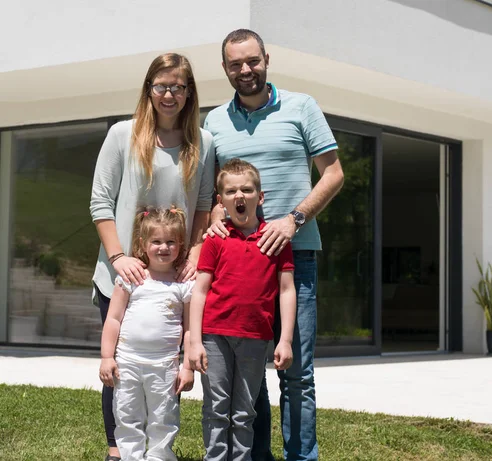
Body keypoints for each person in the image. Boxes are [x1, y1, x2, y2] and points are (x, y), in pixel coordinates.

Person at [203, 29, 344, 461]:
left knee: (297, 373)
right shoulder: (214, 121)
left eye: (252, 61)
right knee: (249, 375)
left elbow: (334, 174)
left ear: (267, 59)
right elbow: (213, 193)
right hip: (237, 265)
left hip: (293, 259)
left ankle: (302, 457)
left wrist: (293, 220)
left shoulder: (302, 107)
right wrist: (214, 219)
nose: (245, 70)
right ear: (225, 68)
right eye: (235, 64)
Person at [90, 52, 215, 461]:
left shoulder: (204, 141)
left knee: (165, 368)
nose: (169, 94)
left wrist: (195, 252)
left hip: (175, 278)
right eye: (161, 86)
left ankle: (161, 452)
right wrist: (119, 256)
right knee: (121, 371)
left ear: (189, 92)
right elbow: (100, 203)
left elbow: (204, 204)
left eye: (178, 87)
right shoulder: (121, 135)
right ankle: (118, 452)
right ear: (148, 89)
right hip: (124, 274)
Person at [188, 159, 297, 461]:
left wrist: (284, 340)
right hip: (214, 337)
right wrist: (194, 341)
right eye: (231, 191)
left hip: (254, 337)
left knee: (244, 411)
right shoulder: (215, 239)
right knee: (216, 409)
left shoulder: (275, 240)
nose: (239, 196)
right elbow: (200, 290)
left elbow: (287, 291)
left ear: (259, 197)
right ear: (220, 200)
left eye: (247, 190)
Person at [99, 206, 195, 461]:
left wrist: (187, 367)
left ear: (180, 244)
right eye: (156, 241)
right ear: (143, 244)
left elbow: (189, 329)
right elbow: (113, 319)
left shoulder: (183, 284)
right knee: (127, 415)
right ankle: (131, 457)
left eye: (170, 242)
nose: (163, 247)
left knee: (163, 418)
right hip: (128, 362)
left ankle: (159, 457)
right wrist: (107, 357)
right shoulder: (132, 278)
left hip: (165, 366)